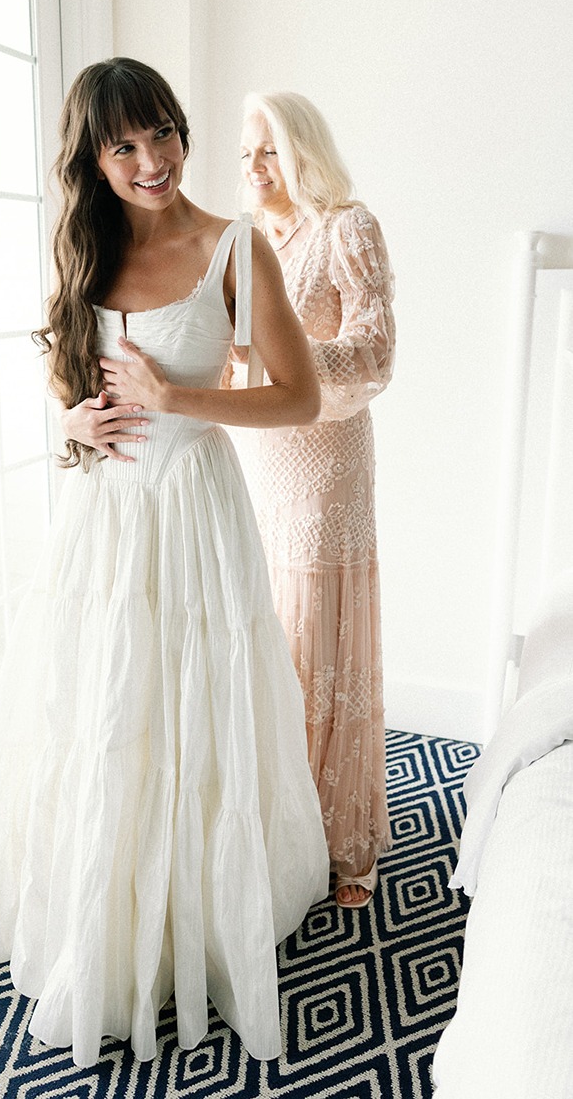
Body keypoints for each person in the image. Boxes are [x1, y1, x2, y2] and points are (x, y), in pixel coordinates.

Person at [0, 58, 329, 1067]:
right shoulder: (85, 247)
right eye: (125, 145)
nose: (153, 160)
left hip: (193, 513)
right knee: (101, 709)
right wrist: (69, 415)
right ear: (93, 158)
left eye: (163, 132)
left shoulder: (233, 247)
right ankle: (103, 909)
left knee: (190, 706)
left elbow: (296, 397)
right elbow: (56, 363)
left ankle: (194, 916)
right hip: (99, 516)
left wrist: (179, 400)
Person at [235, 92, 396, 908]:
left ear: (301, 149)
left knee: (323, 644)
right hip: (264, 463)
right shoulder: (248, 242)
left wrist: (292, 372)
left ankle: (344, 841)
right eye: (245, 155)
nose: (255, 169)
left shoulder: (348, 228)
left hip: (328, 465)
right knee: (275, 643)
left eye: (268, 151)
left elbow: (374, 351)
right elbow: (232, 357)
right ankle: (282, 824)